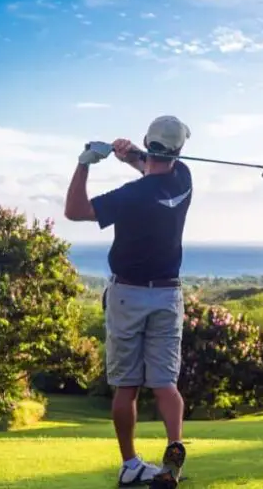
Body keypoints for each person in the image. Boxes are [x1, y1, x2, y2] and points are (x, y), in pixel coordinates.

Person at [64, 115, 193, 488]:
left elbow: (75, 211)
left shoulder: (130, 197)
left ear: (147, 142)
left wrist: (84, 163)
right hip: (168, 294)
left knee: (127, 385)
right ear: (178, 151)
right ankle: (172, 454)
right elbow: (152, 167)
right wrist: (129, 156)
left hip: (127, 295)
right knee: (166, 383)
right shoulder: (184, 179)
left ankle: (130, 463)